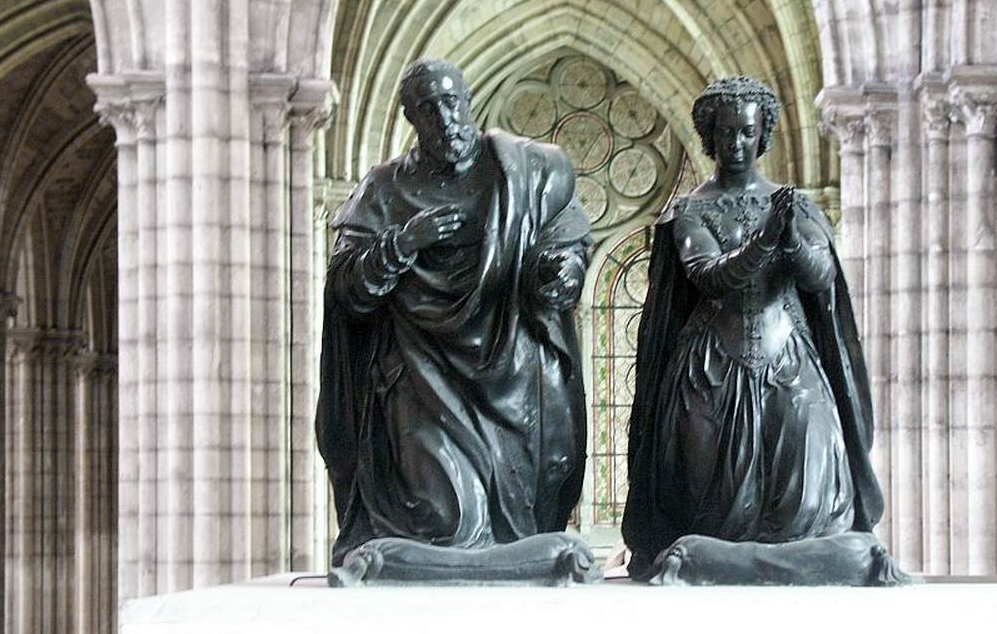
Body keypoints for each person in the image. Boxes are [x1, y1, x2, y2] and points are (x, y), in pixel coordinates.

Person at [316, 58, 591, 568]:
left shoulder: (526, 171)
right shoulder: (384, 190)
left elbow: (567, 244)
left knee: (523, 515)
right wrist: (401, 244)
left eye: (452, 102)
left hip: (513, 371)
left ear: (468, 102)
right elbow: (348, 290)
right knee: (446, 517)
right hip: (423, 378)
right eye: (428, 109)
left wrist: (561, 272)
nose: (445, 119)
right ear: (411, 120)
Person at [622, 76, 884, 581]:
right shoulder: (691, 210)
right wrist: (765, 241)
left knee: (809, 482)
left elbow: (822, 277)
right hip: (711, 365)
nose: (736, 144)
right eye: (725, 133)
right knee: (707, 501)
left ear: (761, 133)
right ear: (710, 136)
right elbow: (709, 276)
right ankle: (710, 561)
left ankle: (804, 560)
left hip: (789, 357)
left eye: (746, 132)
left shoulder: (793, 204)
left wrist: (793, 245)